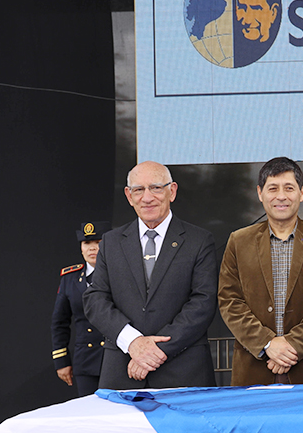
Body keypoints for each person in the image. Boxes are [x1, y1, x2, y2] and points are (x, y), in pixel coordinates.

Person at [84, 161, 218, 389]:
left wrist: (155, 351)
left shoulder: (199, 241)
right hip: (122, 372)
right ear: (129, 195)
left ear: (172, 191)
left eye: (156, 187)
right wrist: (133, 343)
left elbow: (203, 303)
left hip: (184, 373)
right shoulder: (111, 242)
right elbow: (95, 300)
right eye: (138, 190)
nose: (147, 198)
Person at [218, 157, 303, 385]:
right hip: (254, 366)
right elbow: (230, 301)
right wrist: (268, 344)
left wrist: (291, 345)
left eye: (289, 188)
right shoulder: (238, 241)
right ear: (260, 193)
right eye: (272, 188)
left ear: (302, 192)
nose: (281, 196)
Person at [51, 221, 111, 396]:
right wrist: (61, 360)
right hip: (86, 360)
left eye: (98, 243)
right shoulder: (70, 278)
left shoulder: (122, 275)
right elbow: (59, 322)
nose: (92, 248)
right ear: (81, 248)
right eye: (87, 243)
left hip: (116, 360)